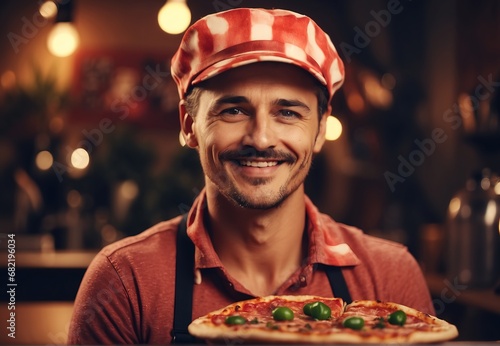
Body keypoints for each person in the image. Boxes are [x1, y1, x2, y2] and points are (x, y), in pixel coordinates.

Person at [68, 7, 434, 344]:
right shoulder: (124, 284)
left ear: (320, 130)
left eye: (288, 113)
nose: (260, 138)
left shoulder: (390, 278)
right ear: (189, 125)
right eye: (233, 110)